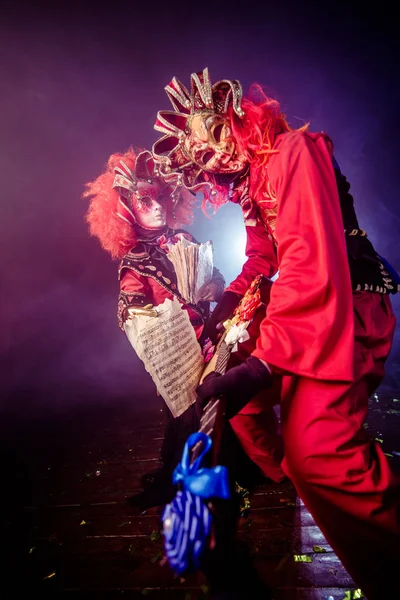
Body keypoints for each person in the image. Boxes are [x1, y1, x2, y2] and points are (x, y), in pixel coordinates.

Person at [152, 68, 400, 599]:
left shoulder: (294, 152)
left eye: (212, 137)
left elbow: (309, 260)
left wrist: (264, 364)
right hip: (302, 307)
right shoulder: (251, 184)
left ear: (236, 118)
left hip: (344, 311)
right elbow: (266, 256)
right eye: (199, 157)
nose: (210, 157)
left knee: (320, 452)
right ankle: (310, 489)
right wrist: (226, 302)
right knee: (243, 410)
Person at [84, 148, 284, 510]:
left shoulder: (186, 239)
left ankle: (235, 469)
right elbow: (133, 306)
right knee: (182, 415)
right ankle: (186, 478)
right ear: (127, 210)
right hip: (172, 348)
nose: (157, 207)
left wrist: (213, 288)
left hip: (211, 339)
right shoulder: (133, 262)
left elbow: (218, 280)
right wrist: (147, 316)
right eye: (145, 202)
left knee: (224, 403)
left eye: (160, 198)